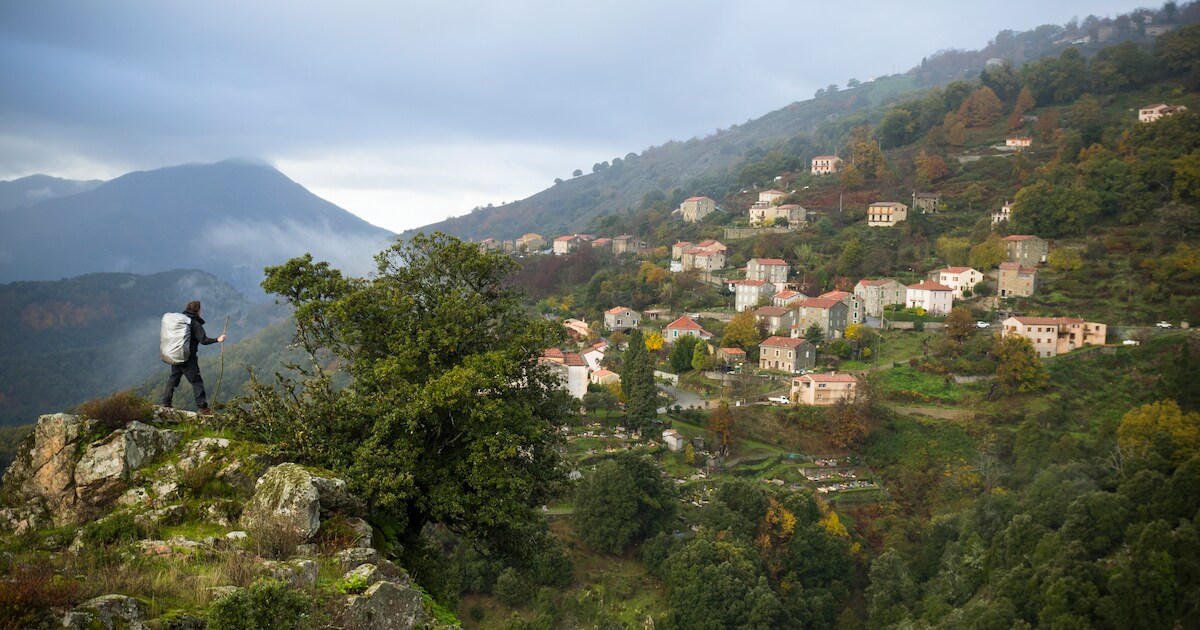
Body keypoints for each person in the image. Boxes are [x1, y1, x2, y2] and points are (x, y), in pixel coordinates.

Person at [161, 300, 226, 414]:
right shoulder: (195, 323)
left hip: (176, 356)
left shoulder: (182, 321)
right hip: (188, 359)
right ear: (198, 310)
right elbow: (204, 340)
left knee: (173, 379)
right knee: (196, 382)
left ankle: (166, 402)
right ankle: (203, 408)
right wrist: (218, 339)